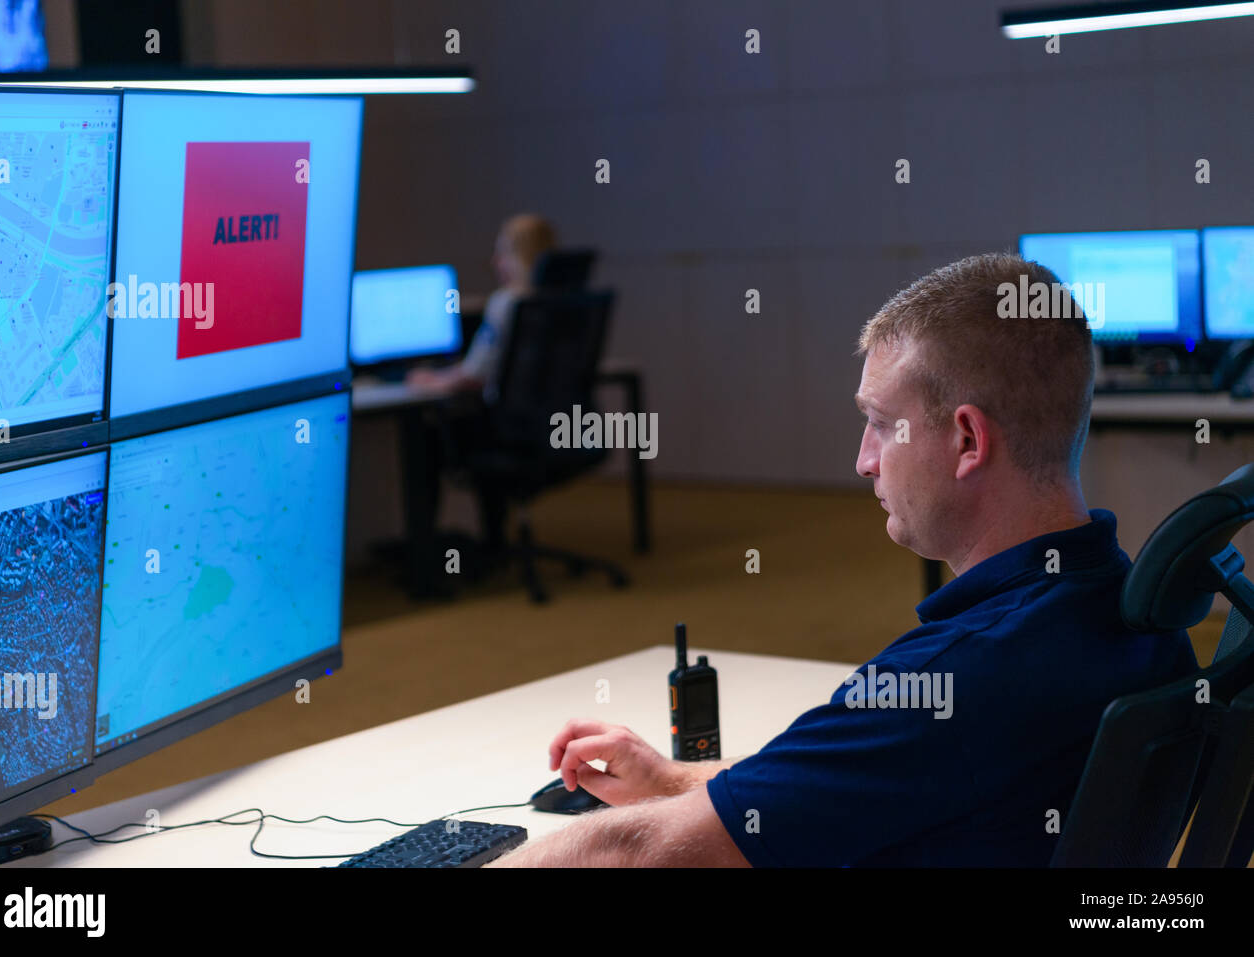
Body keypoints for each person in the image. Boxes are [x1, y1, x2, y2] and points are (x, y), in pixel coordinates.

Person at [488, 252, 1199, 867]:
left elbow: (641, 853)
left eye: (881, 424)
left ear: (967, 441)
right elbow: (861, 773)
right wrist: (676, 779)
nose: (861, 460)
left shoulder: (953, 677)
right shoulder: (1136, 615)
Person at [405, 214, 557, 557]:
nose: (494, 262)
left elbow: (474, 375)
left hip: (509, 432)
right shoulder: (557, 301)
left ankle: (424, 557)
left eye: (501, 253)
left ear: (519, 256)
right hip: (551, 430)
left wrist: (433, 378)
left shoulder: (508, 302)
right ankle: (494, 541)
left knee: (426, 438)